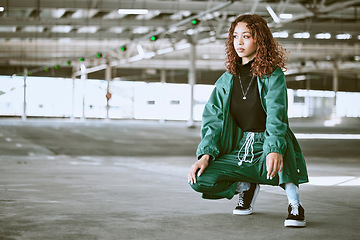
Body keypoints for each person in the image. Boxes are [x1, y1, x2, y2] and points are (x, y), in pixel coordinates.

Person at [187, 14, 309, 227]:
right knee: (200, 179)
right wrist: (205, 155)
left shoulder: (273, 75)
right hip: (241, 146)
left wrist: (274, 148)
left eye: (246, 36)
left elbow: (276, 115)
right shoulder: (226, 80)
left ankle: (294, 204)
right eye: (235, 36)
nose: (239, 42)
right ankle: (246, 186)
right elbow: (213, 120)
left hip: (268, 140)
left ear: (258, 40)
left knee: (282, 146)